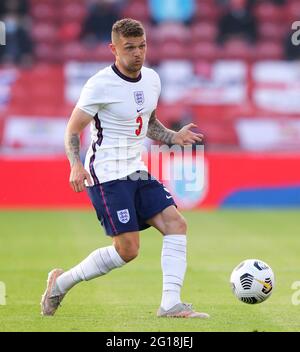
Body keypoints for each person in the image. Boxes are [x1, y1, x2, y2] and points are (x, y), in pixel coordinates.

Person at [40, 18, 209, 319]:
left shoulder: (153, 80)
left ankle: (170, 304)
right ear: (113, 49)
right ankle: (60, 284)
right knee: (128, 250)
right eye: (129, 48)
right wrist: (75, 164)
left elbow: (148, 123)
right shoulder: (100, 84)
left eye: (142, 46)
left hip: (137, 170)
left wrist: (173, 136)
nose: (138, 53)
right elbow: (72, 129)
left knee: (176, 224)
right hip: (106, 175)